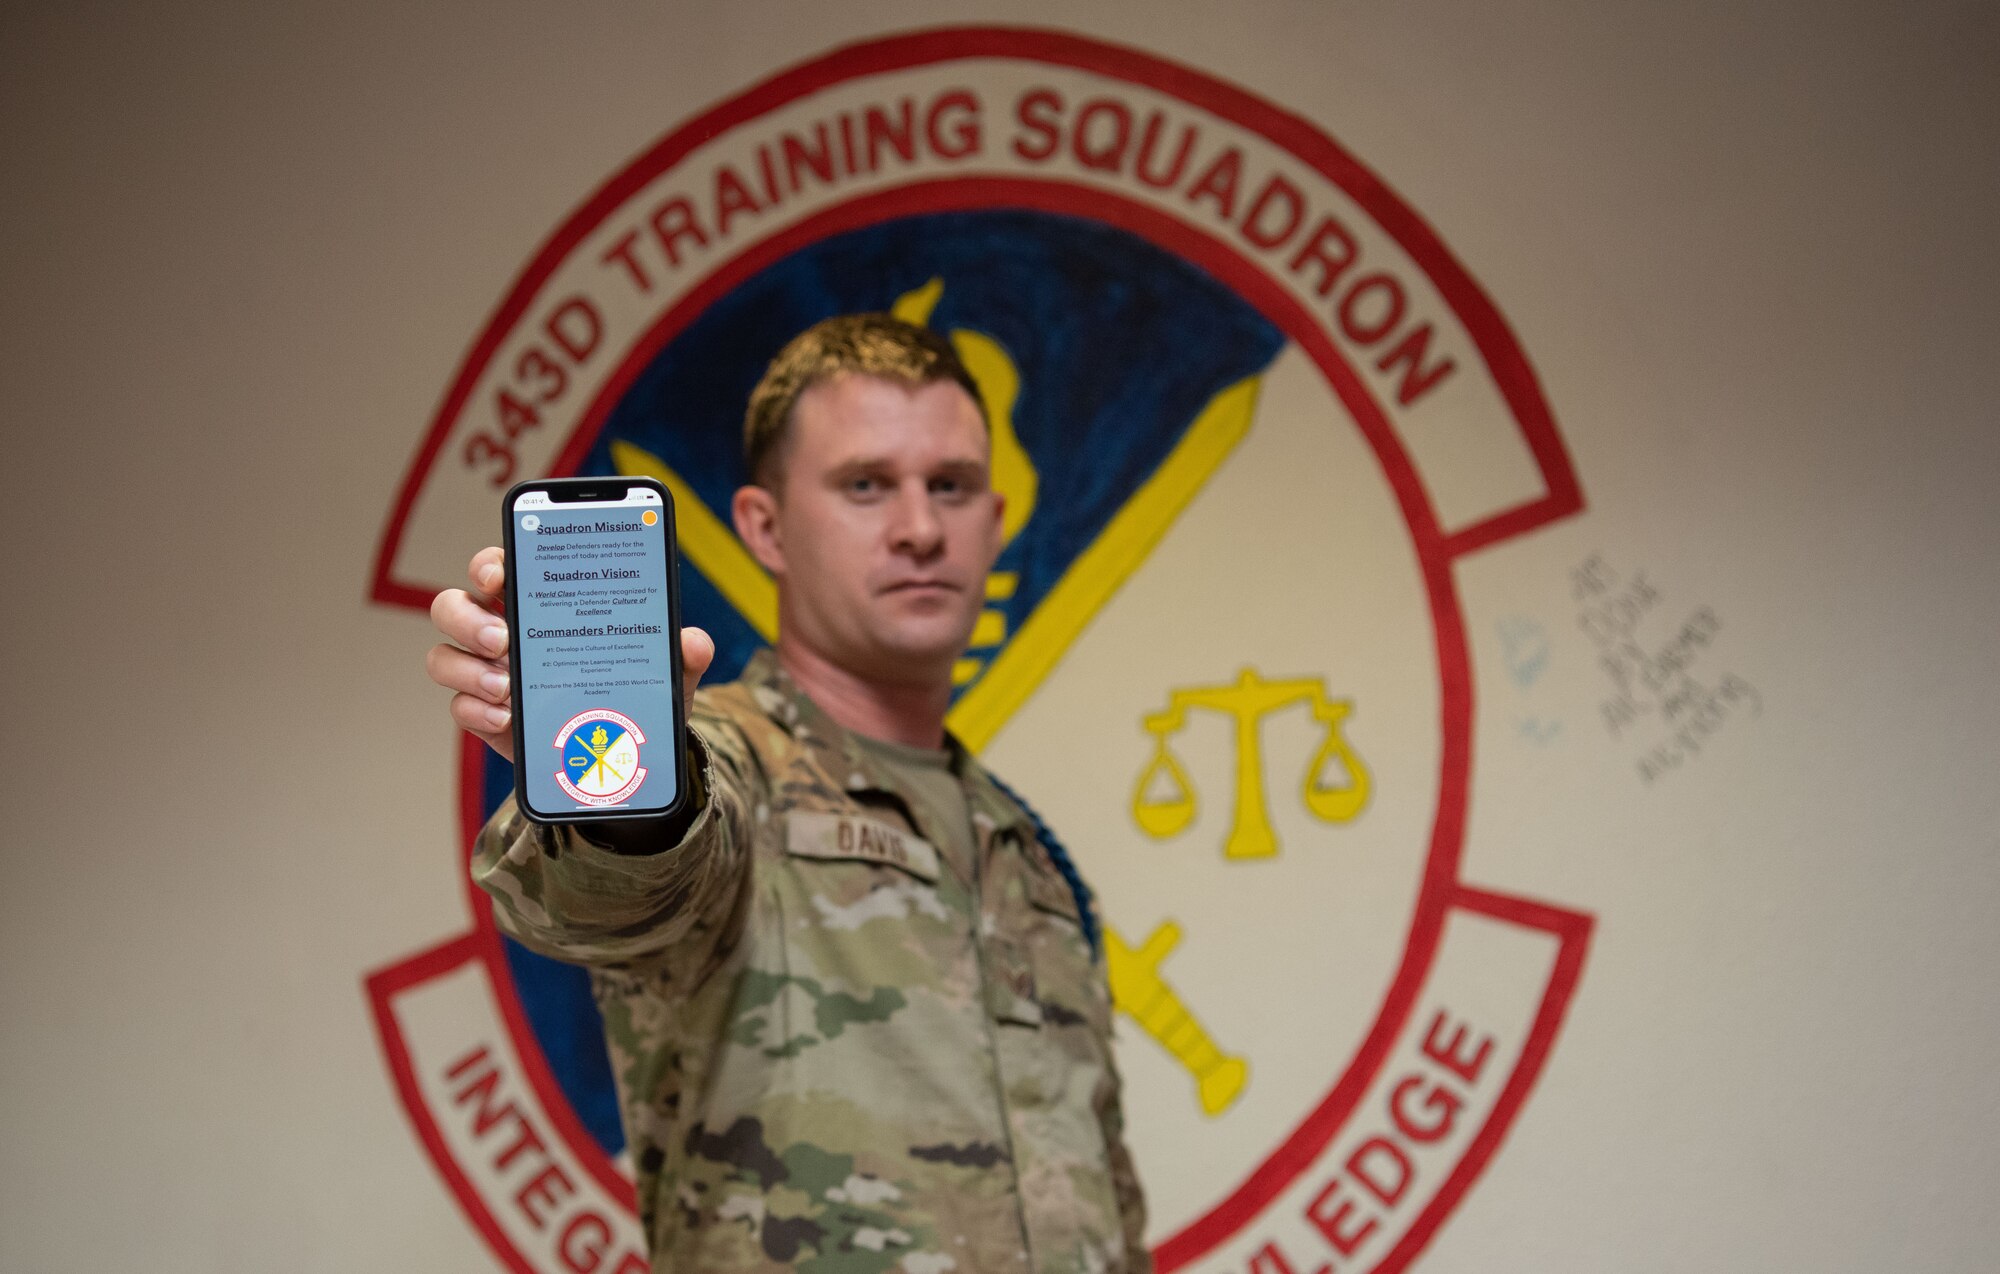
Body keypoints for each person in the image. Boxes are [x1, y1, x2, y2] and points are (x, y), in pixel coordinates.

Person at [426, 314, 1150, 1274]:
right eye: (866, 485)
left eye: (952, 487)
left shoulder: (1028, 855)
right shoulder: (727, 765)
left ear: (998, 523)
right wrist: (619, 779)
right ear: (763, 528)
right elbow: (630, 879)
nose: (922, 528)